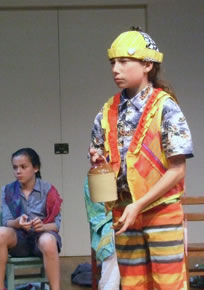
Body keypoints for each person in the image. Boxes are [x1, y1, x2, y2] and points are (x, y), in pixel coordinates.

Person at [89, 27, 193, 289]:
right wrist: (98, 160)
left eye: (124, 61)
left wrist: (140, 204)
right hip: (124, 212)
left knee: (167, 283)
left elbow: (177, 170)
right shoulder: (107, 111)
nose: (116, 69)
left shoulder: (165, 107)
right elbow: (102, 159)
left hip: (161, 212)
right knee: (133, 285)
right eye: (113, 62)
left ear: (148, 64)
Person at [0, 148, 63, 290]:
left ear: (35, 168)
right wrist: (17, 223)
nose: (18, 171)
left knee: (48, 240)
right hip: (20, 241)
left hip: (41, 239)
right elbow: (7, 221)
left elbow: (56, 225)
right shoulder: (8, 190)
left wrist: (42, 226)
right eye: (15, 167)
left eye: (23, 167)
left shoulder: (49, 190)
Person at [83, 178, 120, 290]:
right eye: (90, 158)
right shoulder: (92, 179)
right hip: (107, 224)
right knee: (115, 237)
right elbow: (99, 215)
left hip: (137, 219)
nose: (95, 159)